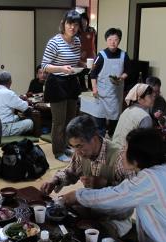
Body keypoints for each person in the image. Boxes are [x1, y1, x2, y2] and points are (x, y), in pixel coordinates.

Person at [41, 115, 133, 237]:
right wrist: (55, 181)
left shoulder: (120, 157)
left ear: (94, 139)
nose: (77, 152)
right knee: (58, 224)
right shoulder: (80, 153)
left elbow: (131, 196)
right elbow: (70, 172)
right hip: (91, 209)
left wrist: (106, 184)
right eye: (72, 147)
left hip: (114, 218)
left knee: (93, 239)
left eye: (79, 146)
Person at [42, 10, 83, 162]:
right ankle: (58, 151)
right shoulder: (55, 42)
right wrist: (61, 68)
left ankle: (66, 145)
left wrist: (83, 65)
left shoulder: (77, 41)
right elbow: (44, 66)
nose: (72, 27)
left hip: (72, 81)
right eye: (69, 23)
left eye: (76, 24)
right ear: (64, 24)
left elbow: (74, 62)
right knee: (58, 122)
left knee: (70, 120)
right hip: (56, 83)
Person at [90, 27, 130, 137]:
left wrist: (121, 78)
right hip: (101, 94)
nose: (113, 42)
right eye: (110, 39)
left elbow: (128, 71)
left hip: (116, 95)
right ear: (106, 40)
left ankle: (113, 143)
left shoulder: (124, 55)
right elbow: (93, 73)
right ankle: (100, 145)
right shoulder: (100, 55)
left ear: (119, 41)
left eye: (116, 39)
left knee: (114, 122)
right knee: (99, 123)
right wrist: (94, 88)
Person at [0, 71, 33, 136]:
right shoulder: (9, 93)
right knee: (30, 123)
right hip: (3, 129)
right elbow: (25, 108)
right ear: (10, 82)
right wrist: (27, 102)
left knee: (17, 117)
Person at [112, 83, 155, 148]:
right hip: (126, 155)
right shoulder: (145, 117)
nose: (153, 98)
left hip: (113, 151)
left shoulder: (127, 110)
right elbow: (144, 144)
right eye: (150, 96)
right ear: (140, 99)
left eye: (153, 96)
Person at [77, 12, 96, 92]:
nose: (83, 22)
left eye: (85, 20)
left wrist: (94, 53)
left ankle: (92, 88)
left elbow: (94, 42)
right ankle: (83, 88)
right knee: (81, 72)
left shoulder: (92, 30)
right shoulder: (77, 31)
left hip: (91, 54)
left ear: (87, 21)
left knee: (91, 72)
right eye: (81, 21)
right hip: (81, 55)